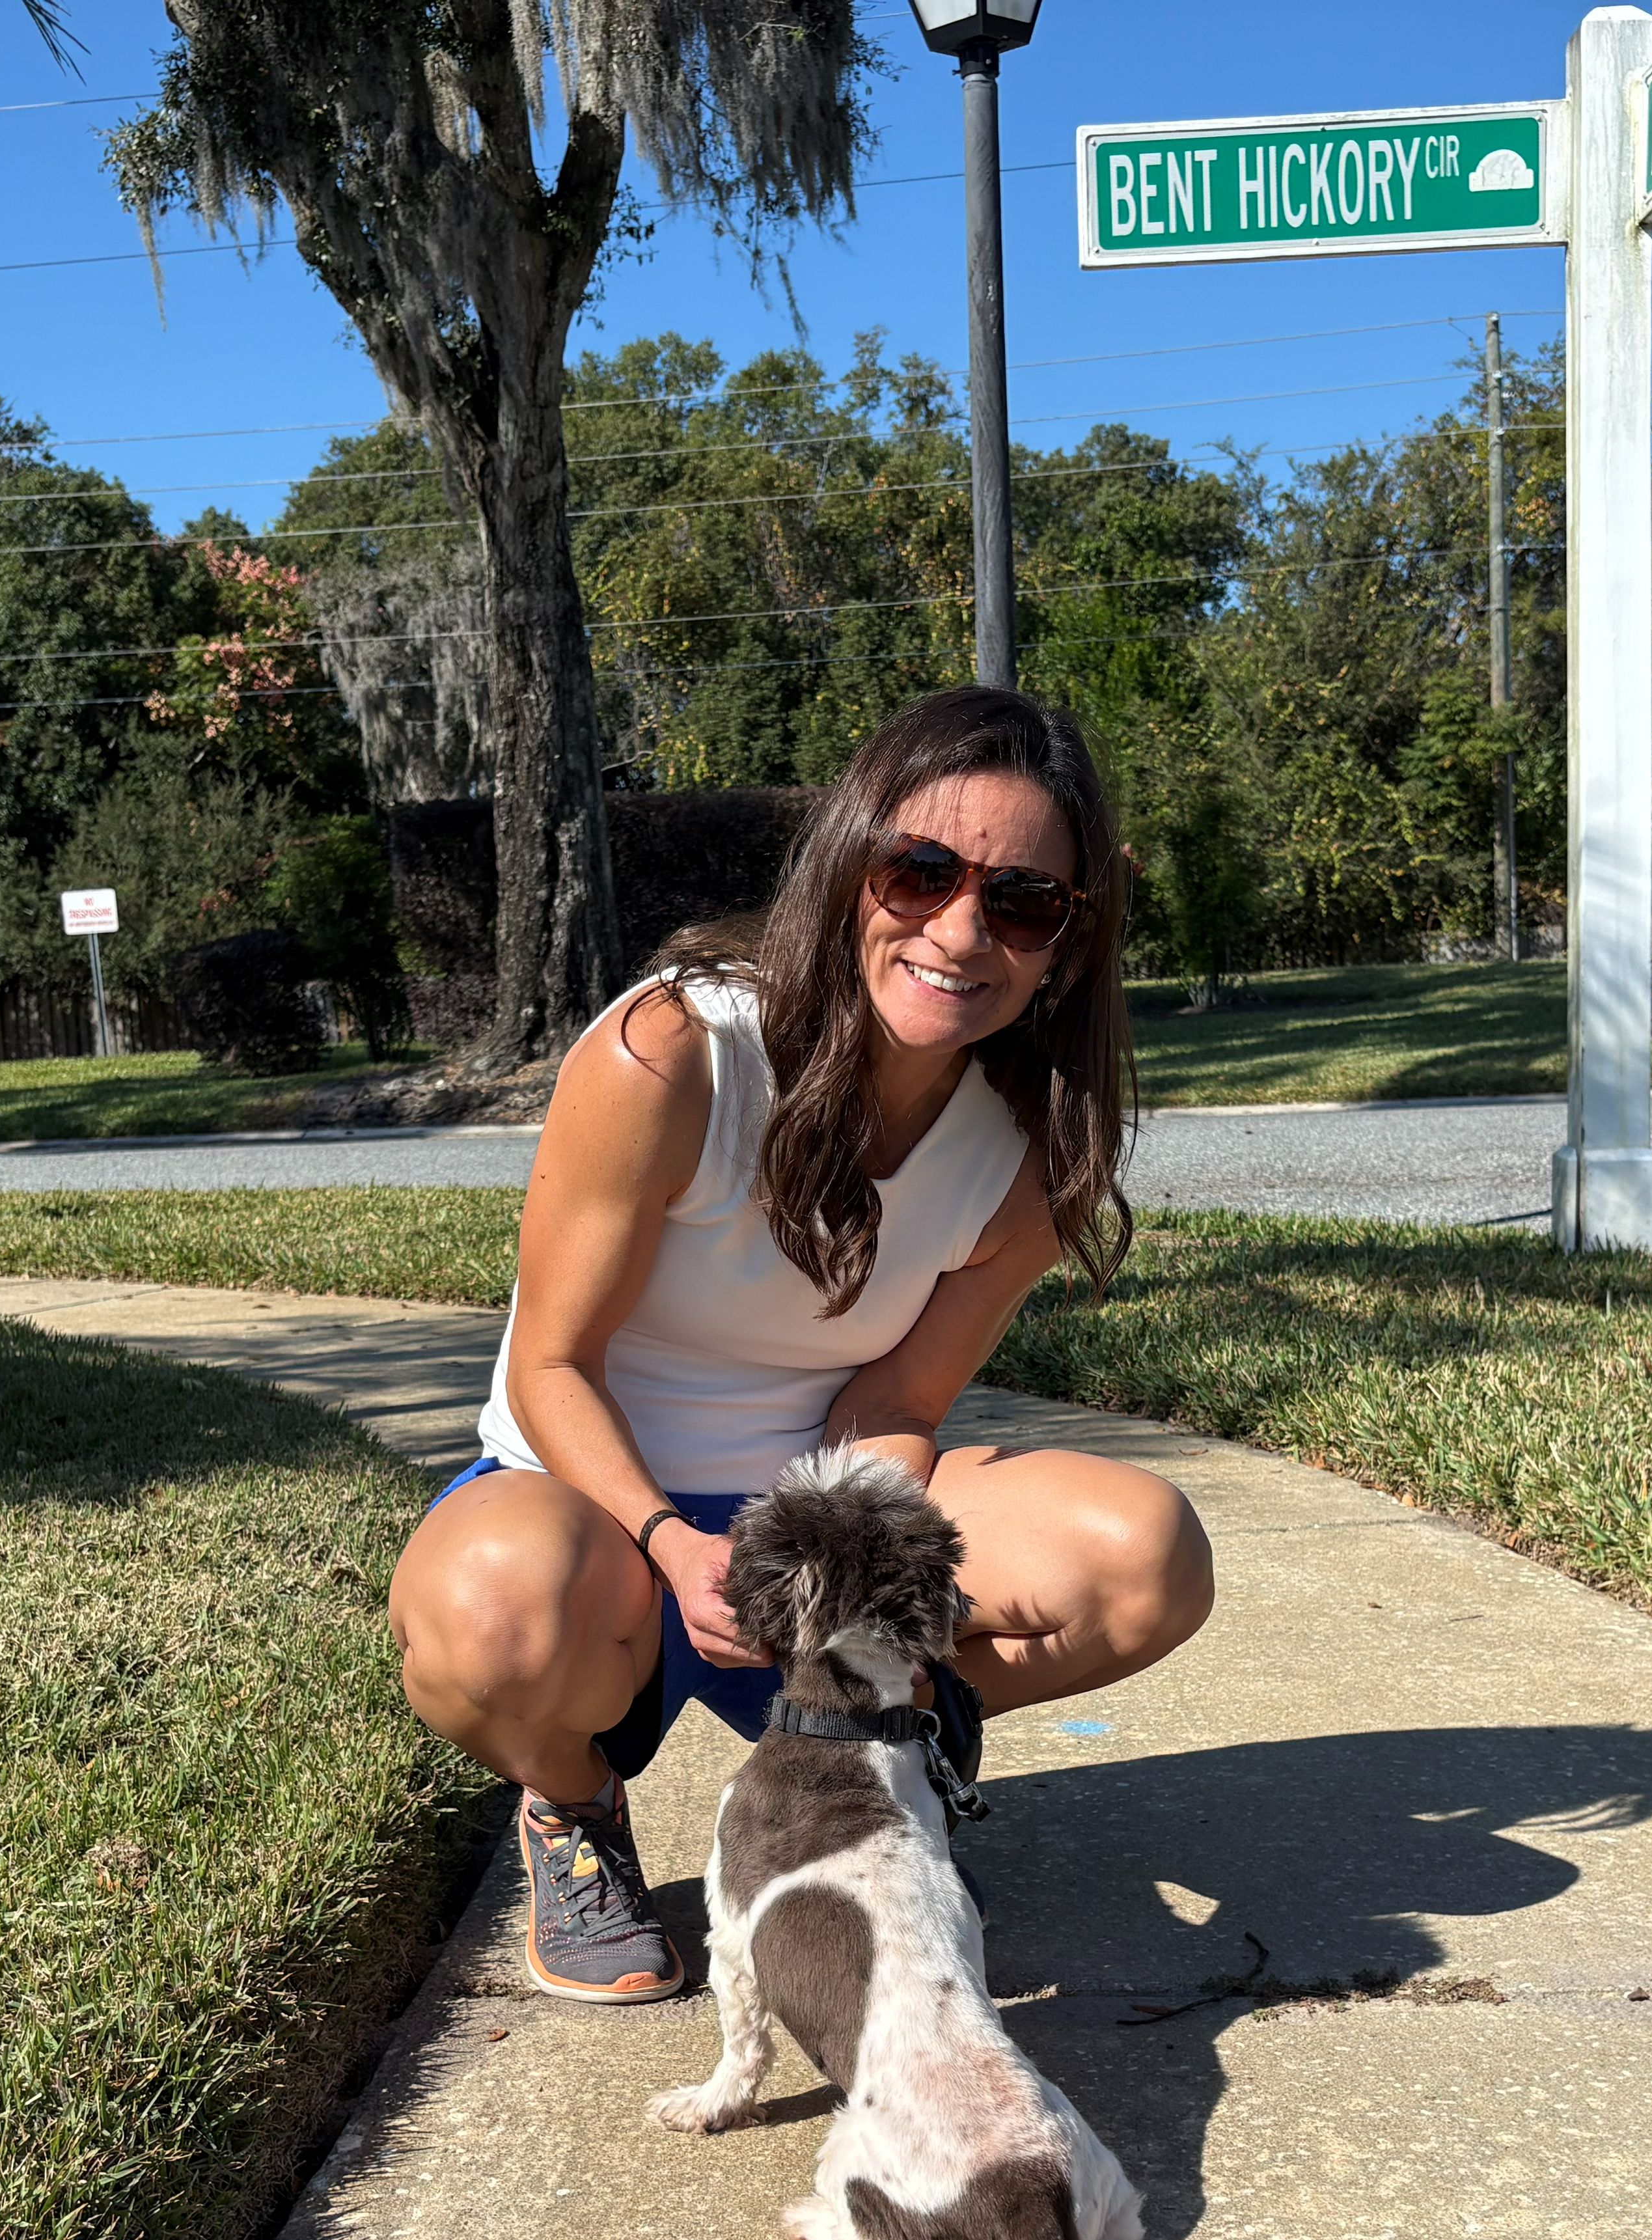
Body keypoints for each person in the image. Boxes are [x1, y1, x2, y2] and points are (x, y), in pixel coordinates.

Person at [388, 685, 1217, 2001]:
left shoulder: (1032, 1143)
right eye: (922, 872)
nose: (960, 931)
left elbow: (900, 1389)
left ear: (1066, 940)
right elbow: (552, 1363)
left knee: (1145, 1559)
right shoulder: (678, 1053)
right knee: (491, 1619)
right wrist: (675, 1543)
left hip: (812, 1496)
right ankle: (573, 1805)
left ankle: (865, 1764)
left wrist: (828, 1565)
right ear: (847, 869)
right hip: (595, 1506)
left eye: (1021, 903)